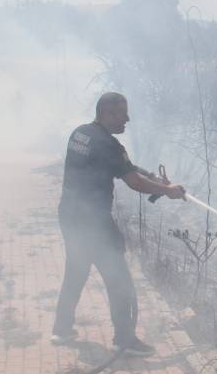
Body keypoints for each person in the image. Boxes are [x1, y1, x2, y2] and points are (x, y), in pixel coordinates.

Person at [51, 92, 185, 355]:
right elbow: (133, 182)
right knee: (119, 279)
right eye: (122, 113)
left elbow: (127, 168)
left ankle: (61, 330)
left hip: (69, 215)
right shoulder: (110, 146)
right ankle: (125, 340)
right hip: (95, 223)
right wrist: (168, 191)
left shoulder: (81, 133)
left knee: (76, 271)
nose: (128, 118)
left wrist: (158, 181)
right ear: (106, 113)